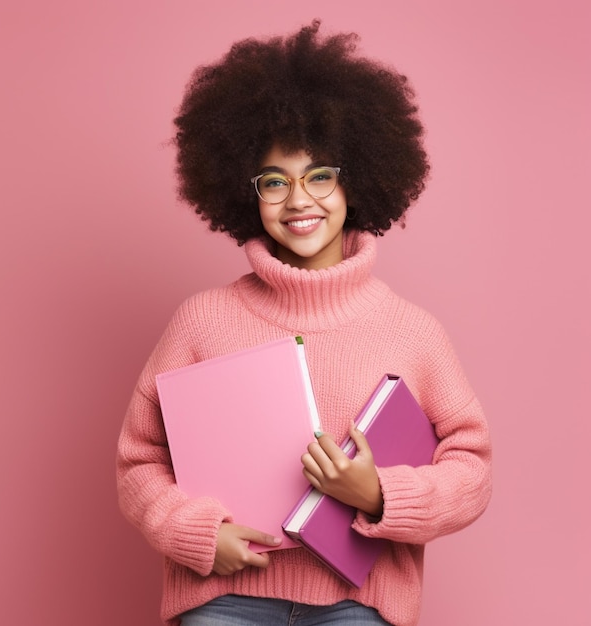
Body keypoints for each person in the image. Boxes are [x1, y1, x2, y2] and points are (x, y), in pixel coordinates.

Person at [116, 20, 492, 626]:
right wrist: (197, 534)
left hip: (357, 604)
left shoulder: (412, 331)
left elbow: (472, 470)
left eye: (320, 175)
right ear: (245, 192)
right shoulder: (201, 320)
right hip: (224, 599)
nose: (298, 200)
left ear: (358, 181)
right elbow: (139, 460)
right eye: (274, 181)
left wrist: (378, 495)